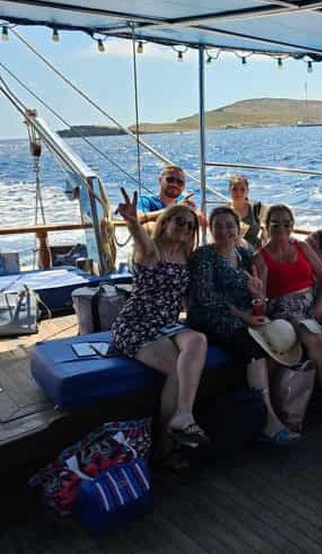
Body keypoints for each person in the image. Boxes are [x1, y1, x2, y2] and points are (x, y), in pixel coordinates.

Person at [187, 206, 300, 445]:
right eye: (218, 226)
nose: (224, 231)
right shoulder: (204, 256)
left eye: (229, 226)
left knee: (280, 337)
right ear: (210, 229)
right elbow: (205, 297)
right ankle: (269, 422)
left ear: (238, 229)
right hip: (212, 317)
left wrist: (258, 299)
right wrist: (244, 317)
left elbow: (257, 293)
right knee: (253, 347)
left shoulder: (244, 254)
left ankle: (268, 406)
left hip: (244, 316)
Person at [111, 189, 209, 459]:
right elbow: (141, 240)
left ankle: (184, 415)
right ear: (164, 223)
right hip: (138, 323)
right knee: (177, 369)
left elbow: (187, 297)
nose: (185, 228)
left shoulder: (186, 256)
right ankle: (163, 446)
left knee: (198, 340)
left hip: (168, 323)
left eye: (190, 226)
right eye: (180, 222)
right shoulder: (151, 251)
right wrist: (133, 222)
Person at [253, 204, 322, 427]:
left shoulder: (301, 246)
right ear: (266, 226)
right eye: (275, 224)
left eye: (286, 224)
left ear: (292, 225)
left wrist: (321, 304)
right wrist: (258, 295)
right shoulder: (260, 258)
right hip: (284, 309)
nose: (281, 228)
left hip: (313, 302)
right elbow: (261, 301)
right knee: (315, 339)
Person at [136, 165, 193, 232]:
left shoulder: (185, 202)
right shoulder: (146, 201)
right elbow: (138, 218)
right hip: (153, 238)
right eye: (170, 180)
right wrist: (174, 209)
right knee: (149, 225)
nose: (174, 184)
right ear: (160, 180)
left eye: (180, 182)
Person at [228, 174, 266, 250]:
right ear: (229, 190)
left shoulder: (257, 208)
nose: (238, 193)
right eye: (235, 189)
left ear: (247, 191)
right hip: (233, 251)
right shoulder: (224, 212)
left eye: (242, 189)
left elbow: (269, 225)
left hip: (254, 251)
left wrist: (264, 230)